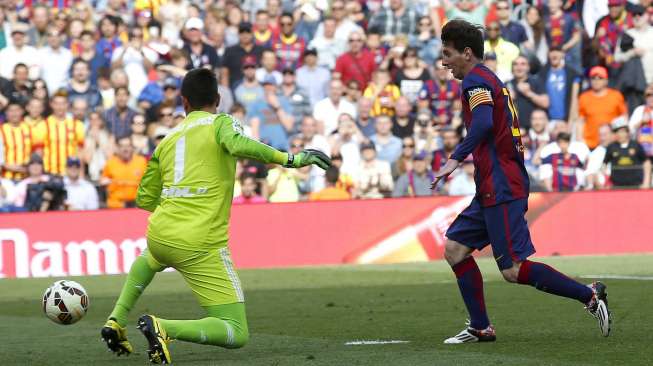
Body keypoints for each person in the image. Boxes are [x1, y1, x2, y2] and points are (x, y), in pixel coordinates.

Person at [100, 68, 330, 363]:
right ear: (218, 99)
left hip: (160, 232)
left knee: (150, 258)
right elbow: (237, 144)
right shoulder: (221, 122)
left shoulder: (167, 140)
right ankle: (163, 328)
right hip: (200, 242)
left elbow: (145, 198)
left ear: (183, 102)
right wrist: (291, 159)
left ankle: (116, 319)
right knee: (235, 331)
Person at [431, 19, 611, 344]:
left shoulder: (475, 82)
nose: (443, 61)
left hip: (501, 184)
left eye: (447, 53)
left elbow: (484, 122)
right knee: (455, 249)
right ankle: (481, 327)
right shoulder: (488, 79)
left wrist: (455, 157)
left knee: (513, 269)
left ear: (467, 53)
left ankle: (589, 294)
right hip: (494, 182)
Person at [577, 66, 628, 149]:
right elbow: (580, 121)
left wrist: (620, 138)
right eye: (593, 78)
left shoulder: (616, 96)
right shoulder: (584, 97)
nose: (596, 81)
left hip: (612, 143)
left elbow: (624, 118)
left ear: (606, 80)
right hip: (590, 144)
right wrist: (580, 140)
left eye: (600, 78)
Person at [603, 117, 651, 189]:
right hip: (616, 187)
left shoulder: (635, 145)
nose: (620, 134)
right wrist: (606, 182)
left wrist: (646, 182)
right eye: (617, 131)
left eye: (622, 131)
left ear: (627, 132)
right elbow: (604, 165)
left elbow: (647, 163)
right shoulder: (611, 147)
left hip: (636, 186)